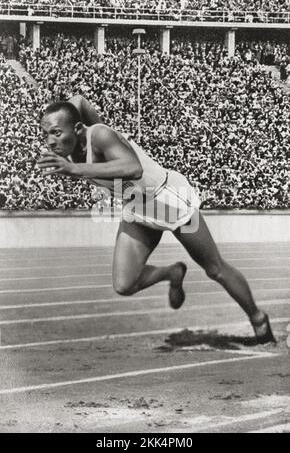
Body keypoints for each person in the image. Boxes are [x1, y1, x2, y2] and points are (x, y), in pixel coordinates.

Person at [37, 95, 276, 345]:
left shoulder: (99, 137)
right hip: (137, 208)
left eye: (56, 133)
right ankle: (172, 273)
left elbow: (133, 168)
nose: (50, 142)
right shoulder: (72, 145)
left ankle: (258, 319)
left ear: (76, 128)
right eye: (46, 135)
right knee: (124, 283)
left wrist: (78, 166)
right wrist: (65, 120)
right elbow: (78, 101)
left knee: (215, 269)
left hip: (167, 199)